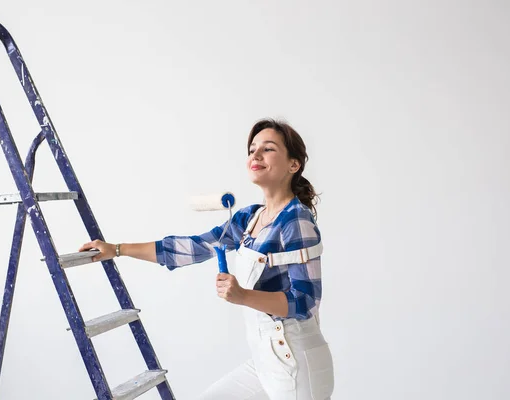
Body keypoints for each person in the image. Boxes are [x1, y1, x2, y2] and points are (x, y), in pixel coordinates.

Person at [79, 119, 334, 399]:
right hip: (265, 362)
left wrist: (243, 296)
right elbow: (193, 248)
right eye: (252, 149)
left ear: (293, 165)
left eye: (268, 149)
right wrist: (117, 249)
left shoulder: (296, 221)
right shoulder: (250, 218)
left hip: (296, 363)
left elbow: (306, 301)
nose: (255, 156)